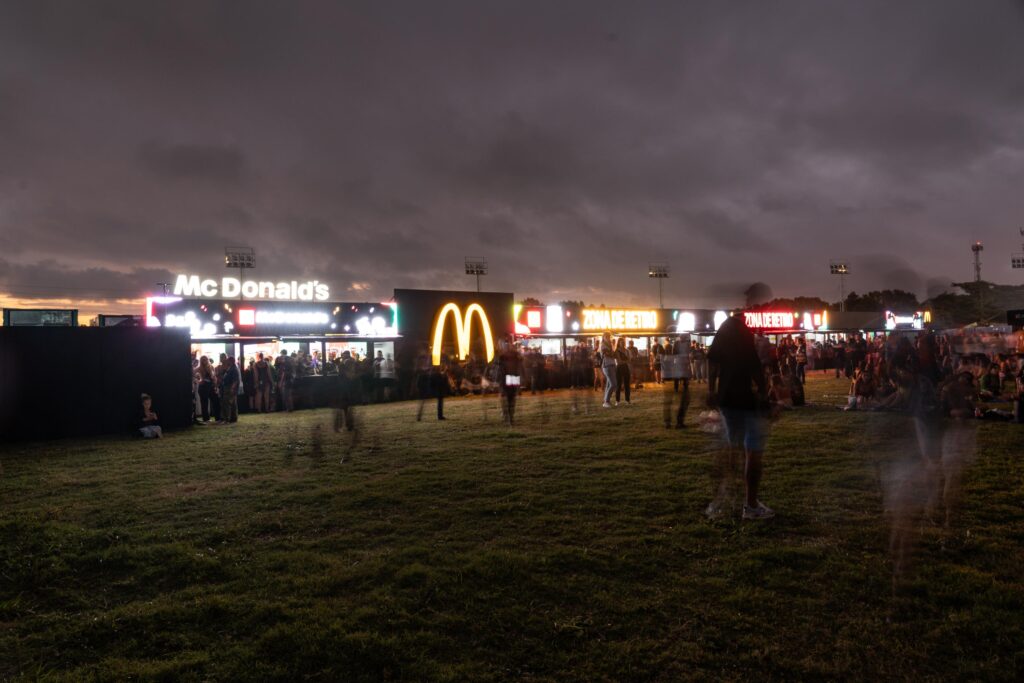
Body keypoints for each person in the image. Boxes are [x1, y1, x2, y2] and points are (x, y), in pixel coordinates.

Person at [707, 316, 774, 521]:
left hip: (726, 401)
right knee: (752, 452)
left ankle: (721, 501)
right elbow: (757, 374)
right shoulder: (745, 343)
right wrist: (765, 395)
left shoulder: (720, 345)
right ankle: (750, 505)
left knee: (731, 449)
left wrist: (712, 392)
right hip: (747, 401)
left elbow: (712, 369)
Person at [498, 339, 523, 425]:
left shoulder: (503, 356)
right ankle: (510, 416)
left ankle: (508, 416)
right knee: (511, 398)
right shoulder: (514, 355)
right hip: (511, 377)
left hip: (508, 378)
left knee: (508, 398)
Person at [218, 356, 240, 424]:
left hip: (229, 387)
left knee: (227, 403)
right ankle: (233, 418)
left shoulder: (233, 369)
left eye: (228, 361)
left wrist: (232, 388)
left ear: (231, 361)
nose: (227, 362)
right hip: (228, 387)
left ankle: (227, 418)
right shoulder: (231, 368)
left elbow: (235, 380)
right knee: (232, 403)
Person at [600, 332, 617, 408]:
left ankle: (606, 401)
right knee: (613, 384)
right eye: (606, 336)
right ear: (603, 337)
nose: (608, 338)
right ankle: (606, 401)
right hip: (607, 366)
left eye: (609, 336)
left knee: (609, 384)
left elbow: (613, 354)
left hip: (612, 365)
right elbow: (607, 354)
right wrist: (612, 353)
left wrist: (612, 353)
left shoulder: (610, 345)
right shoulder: (603, 345)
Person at [197, 355, 216, 423]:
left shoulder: (211, 367)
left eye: (205, 359)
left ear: (207, 360)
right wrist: (199, 380)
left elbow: (214, 377)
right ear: (201, 361)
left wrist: (215, 384)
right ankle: (206, 418)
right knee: (204, 403)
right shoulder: (199, 368)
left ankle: (218, 417)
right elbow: (195, 376)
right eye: (203, 360)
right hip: (203, 387)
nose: (204, 361)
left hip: (210, 386)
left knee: (215, 401)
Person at [614, 337, 632, 405]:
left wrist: (625, 361)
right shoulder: (617, 350)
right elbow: (619, 362)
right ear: (618, 343)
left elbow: (630, 360)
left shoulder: (627, 350)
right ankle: (617, 401)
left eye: (623, 342)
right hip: (619, 368)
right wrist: (626, 361)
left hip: (625, 367)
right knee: (618, 384)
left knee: (627, 384)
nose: (622, 343)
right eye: (621, 342)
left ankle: (627, 400)